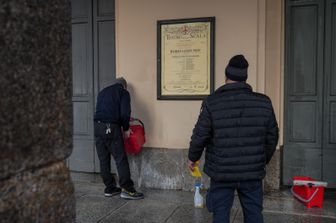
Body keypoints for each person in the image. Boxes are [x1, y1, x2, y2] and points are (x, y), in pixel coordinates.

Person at [188, 55, 279, 223]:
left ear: (226, 76)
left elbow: (200, 135)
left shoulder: (212, 102)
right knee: (254, 214)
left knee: (221, 214)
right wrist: (260, 159)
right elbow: (272, 137)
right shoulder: (264, 102)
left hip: (222, 172)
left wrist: (193, 157)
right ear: (245, 78)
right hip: (252, 172)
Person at [94, 77, 144, 200]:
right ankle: (127, 189)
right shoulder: (123, 92)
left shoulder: (103, 92)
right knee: (120, 158)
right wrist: (126, 128)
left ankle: (110, 188)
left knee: (103, 159)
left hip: (97, 127)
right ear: (124, 86)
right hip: (110, 127)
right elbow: (124, 113)